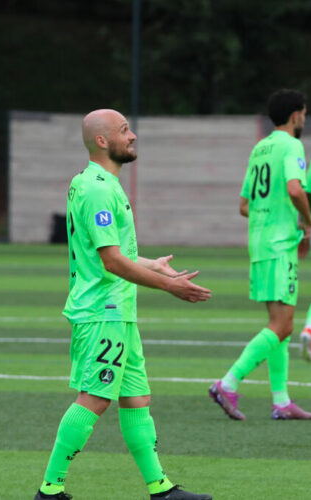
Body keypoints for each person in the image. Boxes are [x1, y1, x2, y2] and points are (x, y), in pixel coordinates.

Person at [34, 109, 213, 500]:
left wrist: (155, 266)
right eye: (124, 130)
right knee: (95, 397)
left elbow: (112, 252)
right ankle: (50, 490)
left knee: (136, 398)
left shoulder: (95, 183)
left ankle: (160, 488)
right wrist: (169, 288)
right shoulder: (99, 188)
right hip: (103, 311)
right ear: (102, 141)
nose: (132, 136)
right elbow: (111, 262)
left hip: (118, 312)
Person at [209, 89, 311, 421]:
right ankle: (228, 382)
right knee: (282, 326)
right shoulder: (291, 145)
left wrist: (268, 216)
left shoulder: (261, 147)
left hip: (259, 244)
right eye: (304, 113)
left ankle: (281, 401)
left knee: (278, 325)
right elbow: (295, 188)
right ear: (297, 114)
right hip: (280, 244)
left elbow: (244, 205)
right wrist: (307, 223)